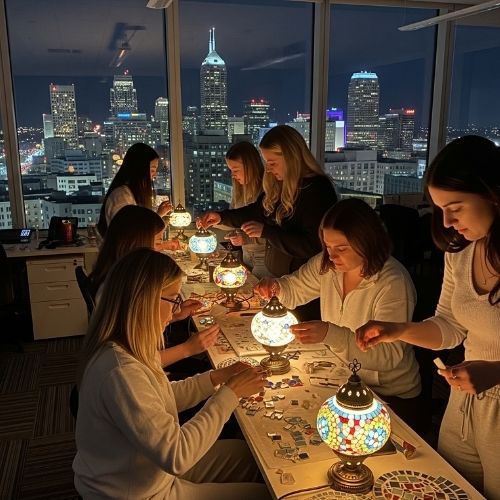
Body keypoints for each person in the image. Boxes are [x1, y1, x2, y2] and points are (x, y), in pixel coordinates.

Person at [355, 135, 500, 499]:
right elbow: (450, 326)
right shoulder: (461, 252)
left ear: (494, 193)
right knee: (451, 487)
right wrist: (398, 329)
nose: (448, 221)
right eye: (439, 209)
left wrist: (496, 372)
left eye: (457, 207)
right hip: (465, 404)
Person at [74, 248, 270, 499]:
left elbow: (160, 397)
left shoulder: (126, 347)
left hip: (147, 473)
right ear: (144, 299)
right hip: (137, 492)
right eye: (174, 299)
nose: (176, 312)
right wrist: (229, 395)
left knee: (248, 456)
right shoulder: (121, 372)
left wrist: (217, 378)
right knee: (263, 494)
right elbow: (177, 456)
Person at [254, 199, 422, 430]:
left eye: (341, 248)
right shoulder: (328, 267)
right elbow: (295, 288)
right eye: (327, 247)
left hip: (388, 395)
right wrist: (276, 288)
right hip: (341, 379)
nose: (332, 256)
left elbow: (388, 356)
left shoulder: (392, 283)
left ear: (367, 242)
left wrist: (330, 334)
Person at [199, 125, 337, 320]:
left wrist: (267, 232)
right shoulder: (280, 185)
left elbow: (313, 246)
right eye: (266, 163)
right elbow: (257, 211)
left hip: (306, 288)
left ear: (291, 157)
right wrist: (222, 217)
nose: (269, 170)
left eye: (272, 162)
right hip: (282, 277)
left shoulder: (316, 191)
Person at [90, 205, 212, 369]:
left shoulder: (121, 276)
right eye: (157, 243)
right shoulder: (117, 290)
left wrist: (174, 315)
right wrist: (187, 349)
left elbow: (140, 324)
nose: (160, 250)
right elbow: (137, 362)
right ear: (136, 243)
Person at [97, 142, 173, 237]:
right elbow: (131, 234)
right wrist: (157, 216)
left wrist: (159, 214)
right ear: (140, 169)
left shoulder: (129, 193)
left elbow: (137, 228)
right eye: (152, 170)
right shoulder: (121, 196)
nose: (155, 175)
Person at [224, 141, 269, 278]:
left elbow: (274, 232)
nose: (233, 175)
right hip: (247, 256)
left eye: (236, 170)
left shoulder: (266, 191)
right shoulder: (239, 192)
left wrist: (246, 239)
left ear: (250, 166)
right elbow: (236, 220)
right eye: (231, 170)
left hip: (265, 259)